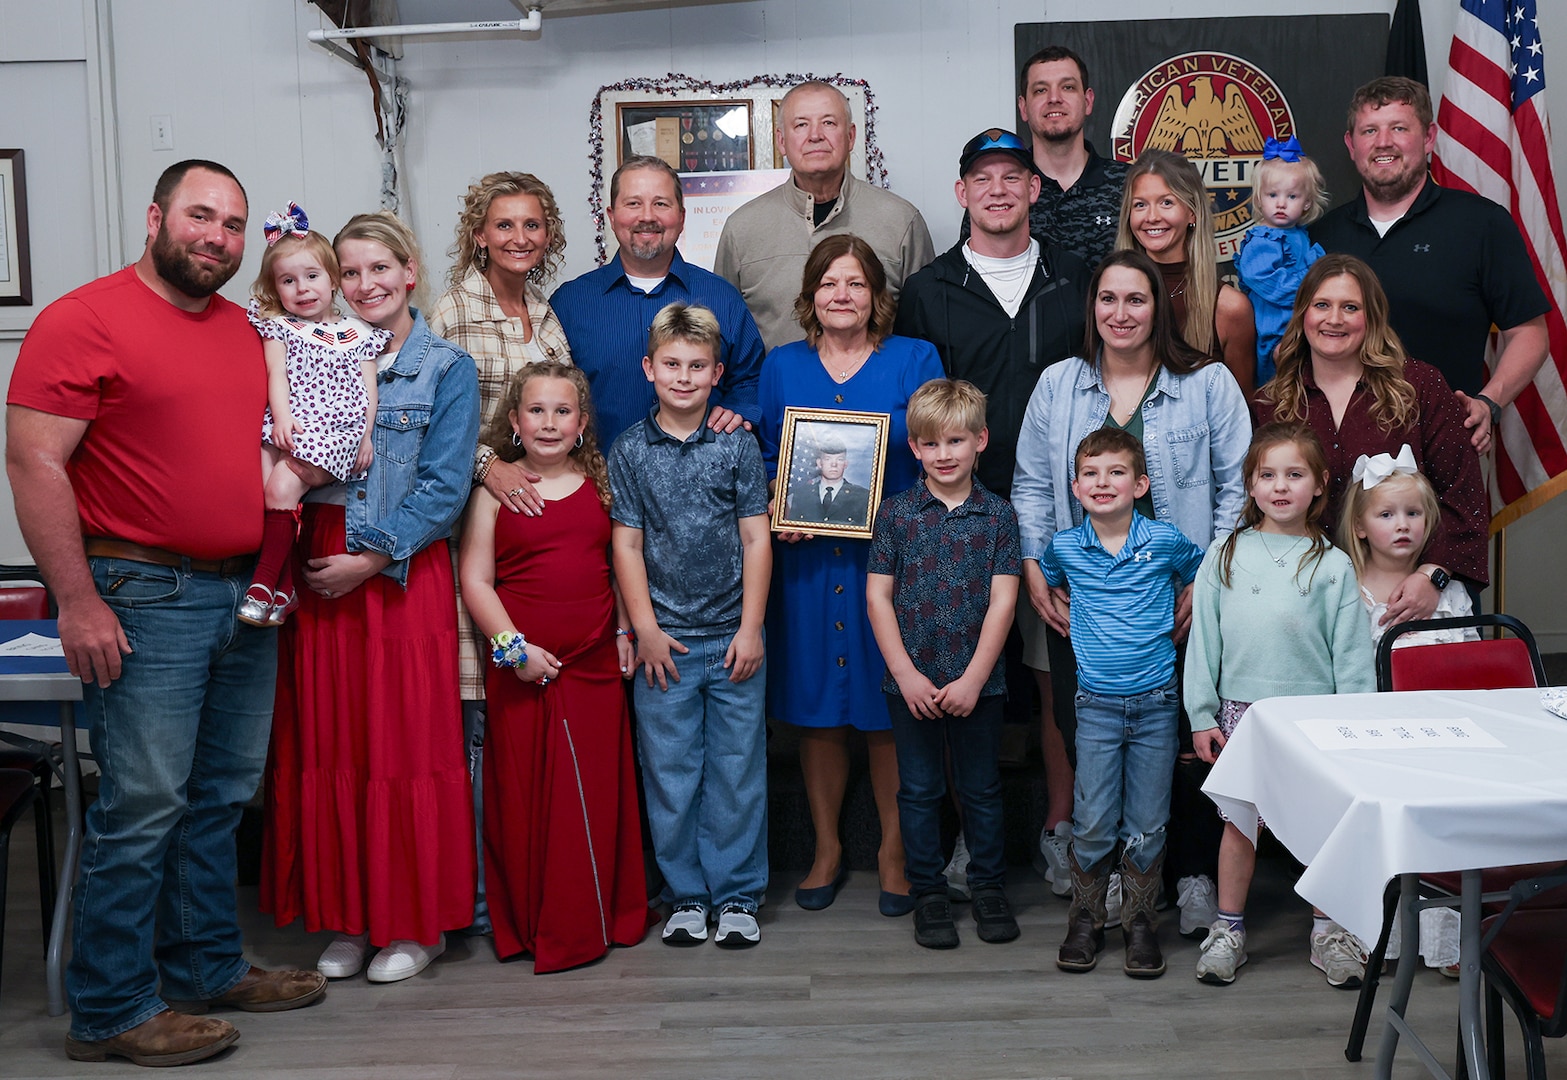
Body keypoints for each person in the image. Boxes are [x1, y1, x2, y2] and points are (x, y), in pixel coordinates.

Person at [7, 159, 325, 1067]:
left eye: (232, 224)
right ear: (155, 217)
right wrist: (75, 600)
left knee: (220, 795)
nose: (216, 237)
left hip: (244, 593)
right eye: (199, 216)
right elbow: (34, 462)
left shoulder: (244, 330)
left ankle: (206, 966)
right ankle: (110, 1008)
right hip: (143, 593)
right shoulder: (84, 318)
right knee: (142, 802)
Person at [261, 212, 480, 985]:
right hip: (317, 573)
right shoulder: (310, 344)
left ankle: (414, 924)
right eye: (349, 273)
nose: (364, 286)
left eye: (378, 270)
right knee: (334, 745)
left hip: (394, 575)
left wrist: (371, 554)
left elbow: (446, 487)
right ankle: (350, 919)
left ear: (409, 270)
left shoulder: (445, 368)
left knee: (403, 747)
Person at [1011, 248, 1251, 937]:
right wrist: (1033, 565)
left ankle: (1191, 876)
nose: (1120, 313)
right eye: (1107, 299)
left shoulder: (1204, 383)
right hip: (1083, 604)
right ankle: (1111, 879)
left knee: (1185, 737)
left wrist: (1203, 582)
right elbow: (1029, 482)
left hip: (1179, 604)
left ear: (1159, 308)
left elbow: (1238, 486)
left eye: (1136, 299)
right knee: (1089, 740)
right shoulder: (1059, 384)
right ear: (1092, 308)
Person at [894, 129, 1089, 891]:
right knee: (950, 678)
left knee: (1050, 680)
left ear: (1035, 191)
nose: (1000, 189)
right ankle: (951, 843)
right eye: (984, 178)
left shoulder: (1076, 278)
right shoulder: (926, 290)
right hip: (953, 516)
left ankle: (1058, 828)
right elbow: (916, 407)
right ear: (962, 193)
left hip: (1053, 519)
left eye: (1015, 176)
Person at [758, 234, 944, 916]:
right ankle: (828, 848)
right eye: (830, 283)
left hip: (888, 567)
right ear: (809, 296)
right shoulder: (780, 369)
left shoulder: (913, 359)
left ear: (876, 297)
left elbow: (938, 443)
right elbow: (765, 457)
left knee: (886, 710)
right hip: (806, 565)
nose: (843, 294)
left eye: (857, 284)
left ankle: (894, 850)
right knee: (817, 712)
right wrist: (779, 498)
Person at [457, 362, 652, 971]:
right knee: (524, 799)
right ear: (514, 422)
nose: (549, 422)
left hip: (593, 665)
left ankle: (603, 916)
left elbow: (618, 564)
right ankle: (531, 924)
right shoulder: (493, 496)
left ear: (583, 423)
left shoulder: (601, 487)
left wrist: (623, 627)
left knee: (595, 794)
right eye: (536, 411)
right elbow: (476, 580)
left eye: (562, 411)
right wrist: (514, 651)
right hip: (522, 670)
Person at [428, 171, 572, 932]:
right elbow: (425, 420)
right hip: (472, 521)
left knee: (522, 711)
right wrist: (489, 467)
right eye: (503, 225)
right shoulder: (452, 310)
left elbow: (561, 410)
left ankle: (526, 882)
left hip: (538, 527)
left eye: (532, 225)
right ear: (478, 234)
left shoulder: (545, 314)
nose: (519, 238)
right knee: (478, 710)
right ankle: (479, 901)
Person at [1185, 422, 1375, 987]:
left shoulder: (1335, 565)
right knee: (1241, 826)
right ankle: (1228, 929)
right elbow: (1204, 642)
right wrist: (1200, 714)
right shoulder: (1226, 552)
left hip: (1314, 718)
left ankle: (1329, 932)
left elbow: (1351, 657)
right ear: (1249, 484)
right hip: (1243, 713)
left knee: (1322, 828)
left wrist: (1354, 726)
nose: (1280, 486)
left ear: (1319, 485)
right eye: (1267, 475)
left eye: (1295, 475)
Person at [609, 302, 773, 948]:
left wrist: (751, 627)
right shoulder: (629, 449)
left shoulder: (735, 443)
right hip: (665, 645)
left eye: (696, 366)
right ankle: (684, 895)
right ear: (649, 368)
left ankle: (736, 895)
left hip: (733, 637)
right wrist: (643, 629)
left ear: (717, 373)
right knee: (671, 773)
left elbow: (756, 539)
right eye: (671, 365)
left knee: (736, 771)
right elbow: (625, 545)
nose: (683, 377)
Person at [1039, 428, 1204, 978]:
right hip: (1097, 707)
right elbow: (1052, 582)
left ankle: (1140, 923)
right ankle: (1085, 919)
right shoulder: (1064, 547)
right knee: (1091, 817)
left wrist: (1184, 605)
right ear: (1075, 485)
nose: (1102, 483)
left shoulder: (1165, 540)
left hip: (1157, 702)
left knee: (1149, 820)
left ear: (1141, 483)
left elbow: (1197, 575)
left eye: (1115, 473)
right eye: (1091, 473)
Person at [866, 378, 1022, 951]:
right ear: (914, 449)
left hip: (980, 681)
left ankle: (987, 887)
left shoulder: (998, 517)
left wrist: (977, 677)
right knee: (920, 790)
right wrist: (906, 674)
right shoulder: (897, 514)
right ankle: (927, 890)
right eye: (931, 444)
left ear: (981, 440)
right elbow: (878, 597)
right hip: (911, 682)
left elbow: (1005, 599)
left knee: (980, 788)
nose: (945, 454)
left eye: (956, 441)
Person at [1312, 76, 1549, 452]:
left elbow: (1530, 333)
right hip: (1335, 450)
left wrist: (1489, 401)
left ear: (1428, 138)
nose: (1383, 142)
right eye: (1369, 130)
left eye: (1399, 128)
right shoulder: (1319, 237)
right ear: (1351, 145)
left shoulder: (1481, 224)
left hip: (1445, 446)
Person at [1253, 254, 1489, 606]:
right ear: (1303, 314)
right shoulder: (1271, 405)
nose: (1334, 319)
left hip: (1411, 596)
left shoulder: (1419, 386)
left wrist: (1432, 577)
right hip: (1305, 598)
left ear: (1373, 318)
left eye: (1350, 307)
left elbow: (1464, 496)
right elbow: (1260, 509)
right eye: (1322, 305)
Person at [551, 155, 765, 447]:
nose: (647, 216)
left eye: (661, 204)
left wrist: (738, 410)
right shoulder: (571, 304)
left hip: (705, 485)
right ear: (611, 217)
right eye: (633, 203)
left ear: (681, 217)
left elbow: (751, 378)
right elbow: (548, 394)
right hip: (600, 482)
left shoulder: (721, 298)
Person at [239, 203, 386, 627]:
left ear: (333, 280)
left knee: (281, 489)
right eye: (288, 281)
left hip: (335, 431)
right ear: (275, 288)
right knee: (261, 492)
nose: (302, 289)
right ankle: (284, 592)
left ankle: (264, 584)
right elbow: (276, 375)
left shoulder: (359, 332)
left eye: (312, 276)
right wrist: (282, 419)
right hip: (290, 424)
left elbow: (368, 391)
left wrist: (365, 437)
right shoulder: (279, 327)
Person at [715, 80, 935, 351]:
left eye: (829, 123)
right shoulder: (742, 229)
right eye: (801, 125)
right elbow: (724, 339)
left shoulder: (901, 222)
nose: (815, 135)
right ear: (781, 141)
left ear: (851, 136)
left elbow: (924, 336)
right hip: (775, 393)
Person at [959, 45, 1129, 269]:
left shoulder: (1129, 183)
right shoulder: (1003, 192)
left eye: (1067, 87)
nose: (1054, 98)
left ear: (1087, 101)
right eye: (1040, 90)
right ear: (1023, 107)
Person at [1117, 149, 1258, 397]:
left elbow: (1241, 413)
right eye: (1140, 205)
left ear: (1191, 213)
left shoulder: (1228, 308)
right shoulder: (1110, 299)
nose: (1152, 217)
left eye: (1166, 202)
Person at [1339, 447, 1477, 648]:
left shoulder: (1452, 592)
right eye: (1386, 515)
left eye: (1413, 513)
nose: (1402, 525)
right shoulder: (1347, 590)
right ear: (1359, 526)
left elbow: (1473, 659)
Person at [1234, 139, 1327, 385]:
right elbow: (1271, 285)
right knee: (1277, 382)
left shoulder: (1298, 235)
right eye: (1272, 195)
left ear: (1307, 202)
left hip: (1300, 324)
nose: (1281, 203)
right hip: (1274, 328)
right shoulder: (1262, 239)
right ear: (1259, 199)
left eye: (1292, 196)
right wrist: (1313, 283)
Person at [784, 436, 872, 525]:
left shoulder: (862, 497)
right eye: (828, 459)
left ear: (845, 464)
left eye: (840, 459)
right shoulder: (801, 494)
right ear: (819, 463)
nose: (834, 464)